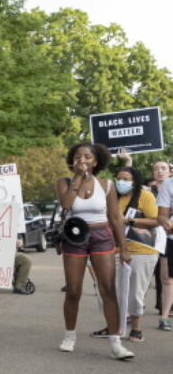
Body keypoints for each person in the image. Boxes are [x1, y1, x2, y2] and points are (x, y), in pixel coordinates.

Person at [53, 142, 133, 359]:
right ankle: (70, 336)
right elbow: (67, 205)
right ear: (72, 161)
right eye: (78, 157)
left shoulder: (106, 185)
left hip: (101, 237)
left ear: (96, 161)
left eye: (87, 157)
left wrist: (123, 248)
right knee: (73, 290)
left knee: (108, 288)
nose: (83, 160)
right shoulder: (65, 182)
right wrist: (77, 179)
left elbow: (115, 218)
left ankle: (116, 342)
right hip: (75, 237)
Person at [101, 165, 159, 341]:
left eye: (126, 179)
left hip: (141, 251)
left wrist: (130, 221)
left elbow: (156, 220)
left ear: (135, 181)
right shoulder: (112, 197)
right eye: (119, 178)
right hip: (114, 250)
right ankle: (115, 326)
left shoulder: (145, 196)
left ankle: (136, 328)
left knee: (135, 292)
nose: (121, 182)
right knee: (113, 291)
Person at [150, 160, 173, 330]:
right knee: (167, 279)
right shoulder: (168, 184)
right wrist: (167, 225)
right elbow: (162, 215)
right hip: (170, 238)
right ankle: (164, 317)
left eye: (163, 168)